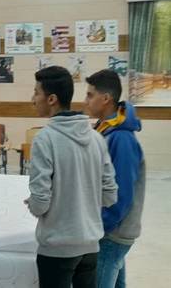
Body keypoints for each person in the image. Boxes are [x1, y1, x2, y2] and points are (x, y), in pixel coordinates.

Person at [27, 66, 118, 288]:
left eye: (36, 92)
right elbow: (110, 196)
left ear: (51, 99)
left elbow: (40, 204)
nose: (32, 99)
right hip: (90, 246)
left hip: (57, 249)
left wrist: (33, 204)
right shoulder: (96, 138)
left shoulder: (44, 139)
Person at [85, 70, 146, 288]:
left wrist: (100, 226)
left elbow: (122, 193)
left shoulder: (121, 138)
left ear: (105, 98)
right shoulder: (106, 130)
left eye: (90, 95)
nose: (86, 101)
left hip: (112, 232)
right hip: (110, 229)